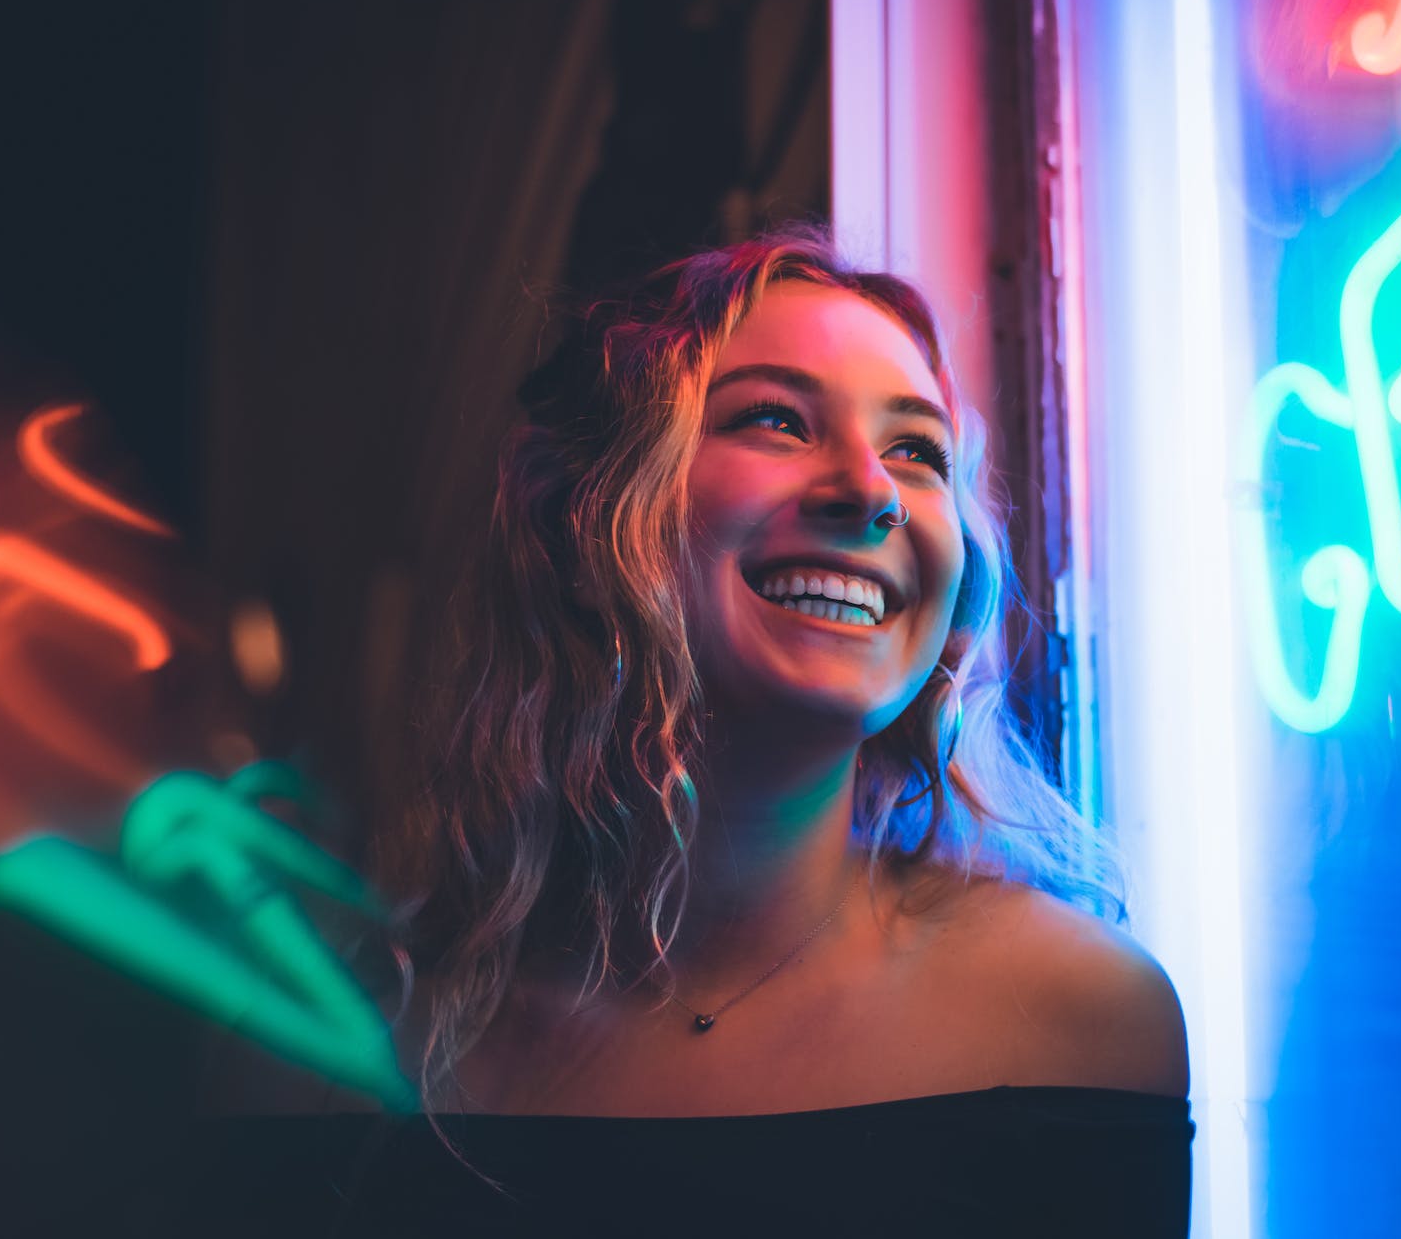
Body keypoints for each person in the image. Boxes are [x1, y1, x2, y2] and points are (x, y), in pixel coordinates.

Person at [185, 226, 1192, 1236]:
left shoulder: (1078, 1020)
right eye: (775, 421)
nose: (870, 491)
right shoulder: (331, 1050)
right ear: (588, 521)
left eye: (915, 450)